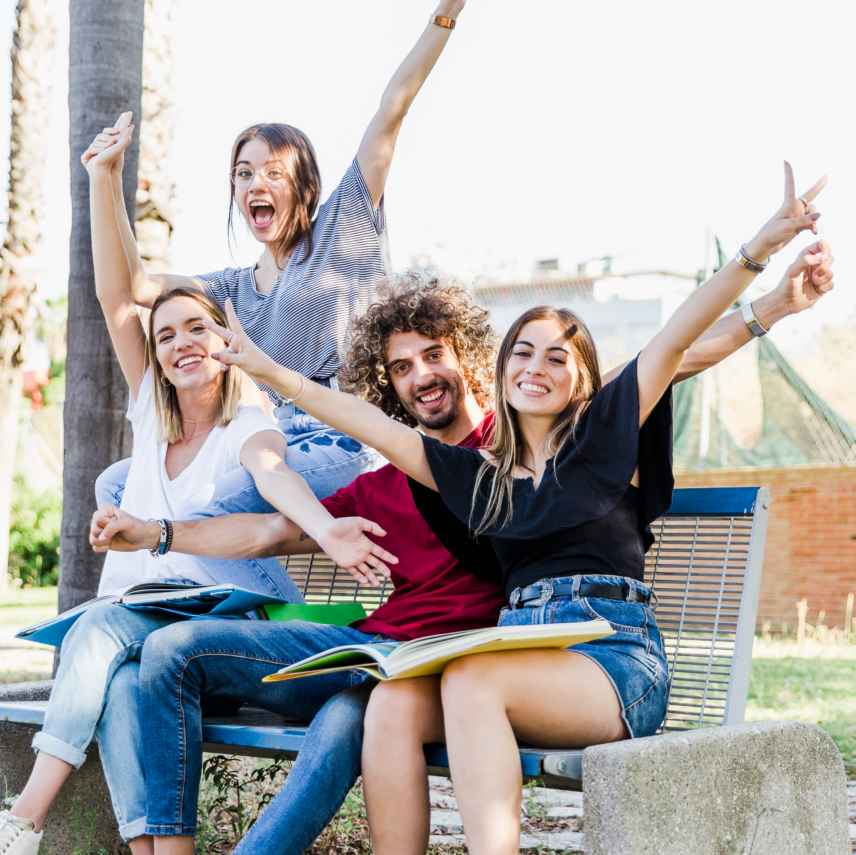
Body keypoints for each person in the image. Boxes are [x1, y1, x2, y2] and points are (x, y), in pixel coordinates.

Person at [93, 222, 832, 855]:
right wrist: (261, 370)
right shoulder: (472, 476)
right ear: (500, 369)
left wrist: (761, 263)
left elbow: (679, 343)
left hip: (603, 652)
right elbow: (362, 426)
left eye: (556, 356)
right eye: (523, 353)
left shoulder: (599, 437)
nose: (535, 366)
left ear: (583, 380)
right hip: (500, 650)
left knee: (465, 681)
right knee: (383, 703)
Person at [0, 142, 399, 855]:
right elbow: (114, 295)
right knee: (120, 689)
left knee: (95, 634)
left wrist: (327, 529)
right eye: (166, 335)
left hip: (209, 619)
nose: (182, 343)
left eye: (198, 329)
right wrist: (103, 178)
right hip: (144, 624)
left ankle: (23, 819)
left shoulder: (247, 421)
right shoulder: (151, 418)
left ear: (226, 340)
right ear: (153, 355)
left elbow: (276, 474)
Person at [82, 0, 468, 596]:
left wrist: (443, 17)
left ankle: (269, 609)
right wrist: (104, 178)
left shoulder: (343, 230)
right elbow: (131, 287)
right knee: (115, 486)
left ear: (305, 186)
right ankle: (188, 608)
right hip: (264, 443)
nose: (255, 183)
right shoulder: (232, 288)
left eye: (273, 172)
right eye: (243, 173)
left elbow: (392, 109)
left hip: (346, 438)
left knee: (213, 501)